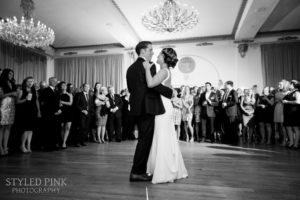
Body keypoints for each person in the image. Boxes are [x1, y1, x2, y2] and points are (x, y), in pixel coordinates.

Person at [126, 41, 174, 182]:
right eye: (150, 50)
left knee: (143, 140)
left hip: (136, 108)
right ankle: (137, 172)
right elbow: (152, 85)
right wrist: (170, 92)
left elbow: (131, 89)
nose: (152, 52)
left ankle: (138, 170)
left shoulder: (130, 68)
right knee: (145, 141)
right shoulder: (149, 66)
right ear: (142, 51)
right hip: (148, 108)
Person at [143, 48, 188, 184]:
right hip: (164, 106)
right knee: (163, 136)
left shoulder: (163, 71)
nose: (157, 55)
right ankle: (164, 168)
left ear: (165, 58)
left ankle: (164, 171)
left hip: (162, 108)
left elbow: (150, 84)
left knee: (161, 137)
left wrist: (146, 69)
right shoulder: (166, 71)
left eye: (160, 54)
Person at [16, 77, 41, 153]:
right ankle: (22, 145)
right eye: (29, 81)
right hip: (24, 112)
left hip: (33, 111)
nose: (30, 83)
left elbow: (37, 102)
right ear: (25, 82)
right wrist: (25, 99)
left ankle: (28, 145)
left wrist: (39, 111)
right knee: (25, 130)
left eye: (32, 81)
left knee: (31, 130)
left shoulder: (35, 91)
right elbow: (17, 102)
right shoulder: (21, 91)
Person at [0, 69, 17, 156]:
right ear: (5, 74)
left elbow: (15, 94)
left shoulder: (12, 83)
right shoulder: (1, 82)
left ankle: (5, 146)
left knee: (8, 127)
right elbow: (1, 95)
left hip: (12, 105)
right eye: (10, 73)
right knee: (2, 127)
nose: (11, 75)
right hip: (3, 105)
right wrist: (11, 93)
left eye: (12, 74)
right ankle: (0, 148)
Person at [283, 80, 300, 149]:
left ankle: (296, 144)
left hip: (294, 112)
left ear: (293, 85)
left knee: (295, 128)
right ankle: (291, 143)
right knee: (288, 127)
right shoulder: (289, 92)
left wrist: (287, 102)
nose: (289, 85)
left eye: (290, 84)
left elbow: (298, 102)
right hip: (287, 112)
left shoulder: (297, 92)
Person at [57, 81, 73, 149]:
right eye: (63, 85)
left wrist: (62, 102)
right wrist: (59, 104)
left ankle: (64, 143)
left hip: (69, 112)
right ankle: (62, 141)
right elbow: (57, 103)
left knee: (68, 127)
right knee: (62, 127)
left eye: (65, 85)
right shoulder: (58, 94)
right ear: (60, 86)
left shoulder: (70, 94)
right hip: (61, 112)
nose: (64, 86)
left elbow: (70, 103)